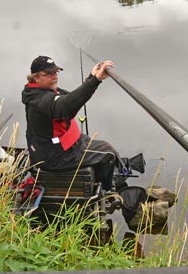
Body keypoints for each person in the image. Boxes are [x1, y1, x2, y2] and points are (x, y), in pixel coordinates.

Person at [21, 55, 120, 191]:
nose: (55, 76)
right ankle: (107, 190)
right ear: (36, 77)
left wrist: (92, 76)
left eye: (56, 72)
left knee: (87, 140)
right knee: (108, 152)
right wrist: (96, 80)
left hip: (52, 148)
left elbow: (71, 97)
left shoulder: (40, 90)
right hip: (54, 158)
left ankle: (103, 175)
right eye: (48, 74)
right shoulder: (40, 100)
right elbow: (66, 106)